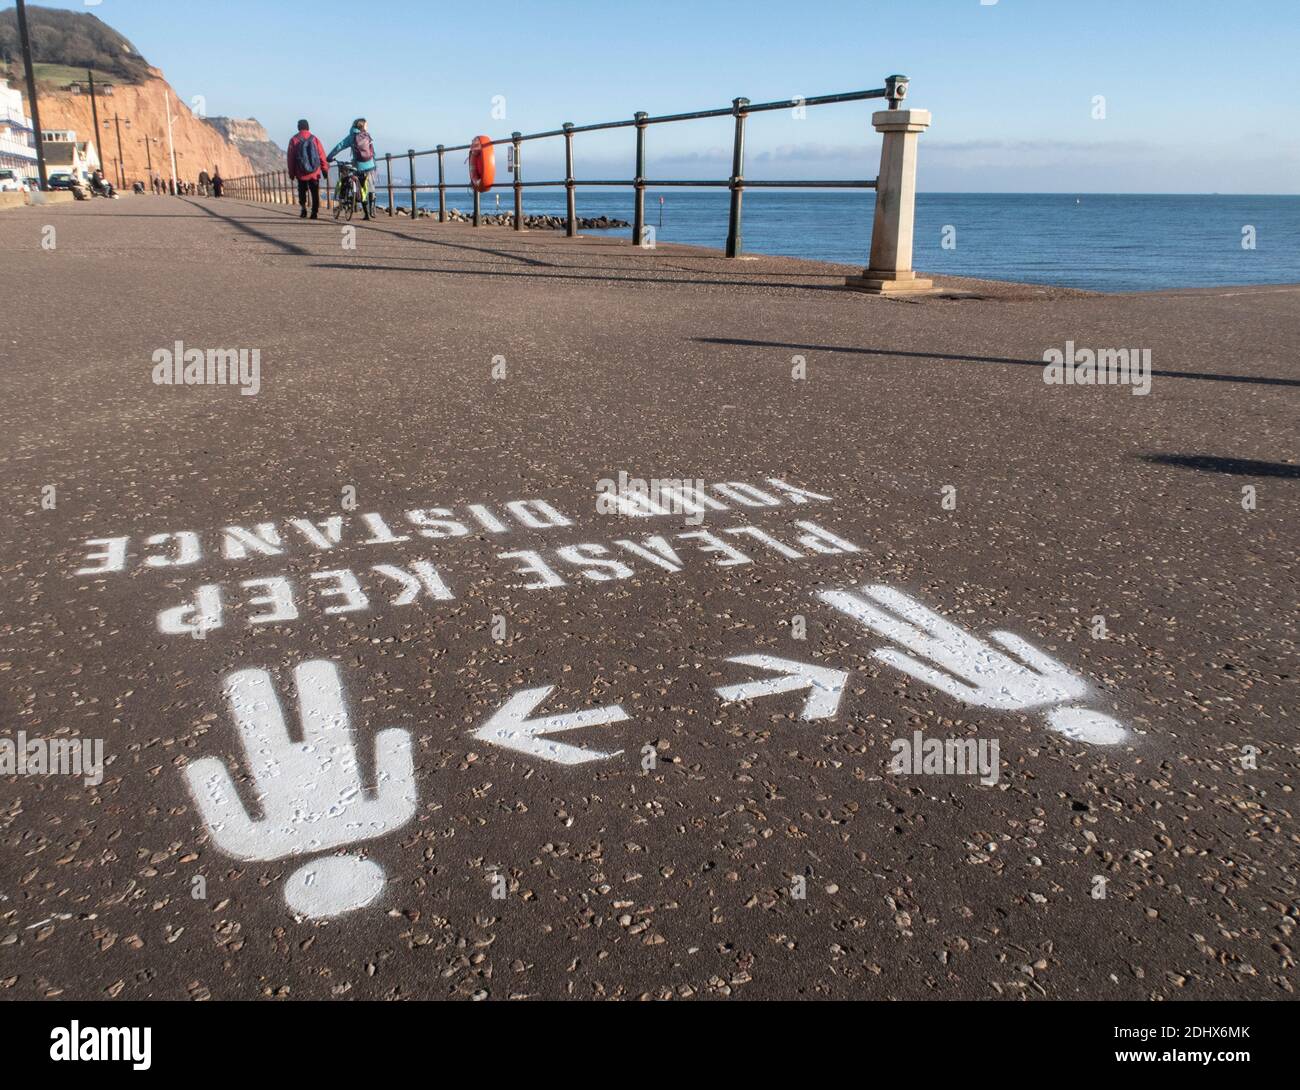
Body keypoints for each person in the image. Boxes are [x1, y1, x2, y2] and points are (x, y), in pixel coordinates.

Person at [327, 118, 376, 220]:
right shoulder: (367, 136)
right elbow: (372, 152)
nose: (367, 126)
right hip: (370, 165)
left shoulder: (351, 137)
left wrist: (330, 157)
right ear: (362, 126)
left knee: (361, 189)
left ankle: (366, 214)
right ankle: (372, 208)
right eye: (366, 125)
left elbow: (339, 146)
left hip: (358, 165)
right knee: (370, 188)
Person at [288, 119, 329, 220]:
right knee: (314, 192)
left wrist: (291, 173)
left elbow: (291, 158)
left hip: (301, 172)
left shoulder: (294, 139)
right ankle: (314, 212)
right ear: (308, 127)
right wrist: (324, 169)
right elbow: (321, 155)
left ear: (298, 127)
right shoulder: (314, 139)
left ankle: (303, 209)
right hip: (314, 172)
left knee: (302, 190)